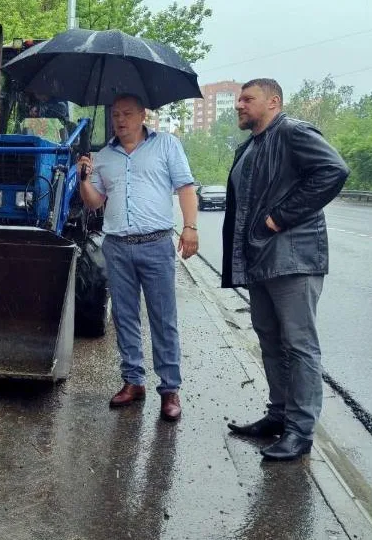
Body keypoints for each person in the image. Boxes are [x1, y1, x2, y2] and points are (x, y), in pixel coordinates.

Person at [222, 79, 348, 461]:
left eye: (248, 99)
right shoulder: (253, 144)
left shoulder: (292, 131)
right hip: (263, 261)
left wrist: (279, 218)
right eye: (238, 99)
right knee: (271, 342)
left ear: (273, 102)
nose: (239, 105)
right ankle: (278, 416)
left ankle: (300, 430)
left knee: (299, 346)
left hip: (293, 260)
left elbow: (334, 170)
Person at [77, 93, 199, 422]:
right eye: (115, 114)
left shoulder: (167, 146)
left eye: (127, 113)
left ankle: (170, 389)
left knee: (163, 318)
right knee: (124, 316)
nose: (120, 119)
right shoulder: (104, 156)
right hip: (117, 245)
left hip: (156, 244)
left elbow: (186, 187)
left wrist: (190, 227)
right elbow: (94, 202)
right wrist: (83, 179)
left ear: (143, 114)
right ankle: (133, 381)